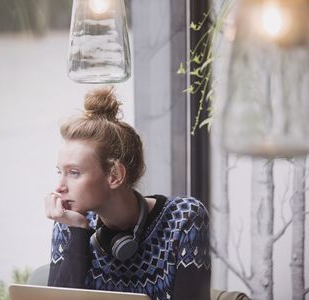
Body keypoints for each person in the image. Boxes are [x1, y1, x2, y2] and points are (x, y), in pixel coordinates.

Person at [44, 87, 211, 300]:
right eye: (60, 172)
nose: (59, 187)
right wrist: (77, 231)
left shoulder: (184, 218)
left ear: (114, 175)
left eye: (74, 173)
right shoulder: (69, 220)